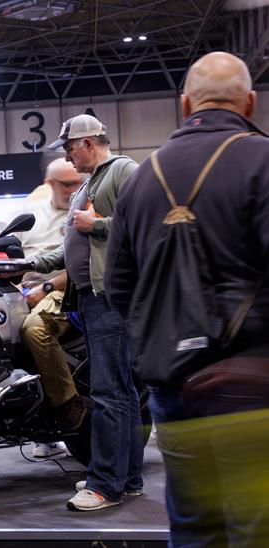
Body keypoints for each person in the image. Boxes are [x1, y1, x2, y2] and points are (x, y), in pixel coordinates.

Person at [105, 52, 269, 545]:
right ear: (251, 102)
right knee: (255, 527)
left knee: (194, 526)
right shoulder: (263, 161)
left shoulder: (140, 179)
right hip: (253, 388)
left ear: (183, 105)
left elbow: (118, 286)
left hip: (173, 386)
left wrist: (162, 342)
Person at [30, 114, 143, 512]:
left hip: (109, 296)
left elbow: (142, 223)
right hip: (94, 297)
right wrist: (24, 264)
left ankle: (104, 485)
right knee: (121, 392)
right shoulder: (94, 181)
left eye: (68, 148)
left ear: (88, 144)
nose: (67, 156)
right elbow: (69, 248)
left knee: (109, 392)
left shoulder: (122, 170)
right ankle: (126, 479)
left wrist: (96, 225)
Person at [18, 158, 86, 457]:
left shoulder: (83, 211)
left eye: (78, 182)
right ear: (50, 185)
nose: (75, 190)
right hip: (24, 289)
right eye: (68, 184)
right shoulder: (31, 213)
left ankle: (68, 403)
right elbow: (11, 250)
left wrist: (45, 287)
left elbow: (83, 263)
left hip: (64, 288)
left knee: (35, 328)